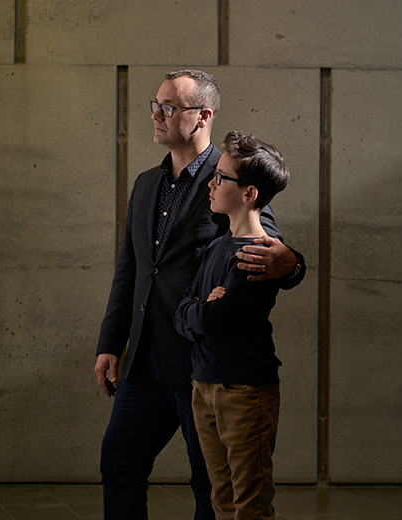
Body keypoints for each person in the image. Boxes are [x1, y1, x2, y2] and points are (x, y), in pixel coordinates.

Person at [94, 70, 306, 520]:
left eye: (169, 107)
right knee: (119, 465)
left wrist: (293, 263)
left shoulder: (229, 178)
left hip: (199, 361)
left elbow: (264, 246)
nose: (157, 114)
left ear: (203, 116)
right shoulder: (145, 184)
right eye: (155, 104)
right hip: (143, 359)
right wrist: (111, 343)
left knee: (211, 485)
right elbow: (130, 270)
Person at [176, 131, 290, 520]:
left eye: (221, 177)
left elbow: (215, 318)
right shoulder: (216, 247)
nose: (212, 182)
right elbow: (183, 314)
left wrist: (198, 310)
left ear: (249, 194)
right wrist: (198, 310)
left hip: (243, 390)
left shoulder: (259, 254)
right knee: (221, 497)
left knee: (249, 505)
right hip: (204, 383)